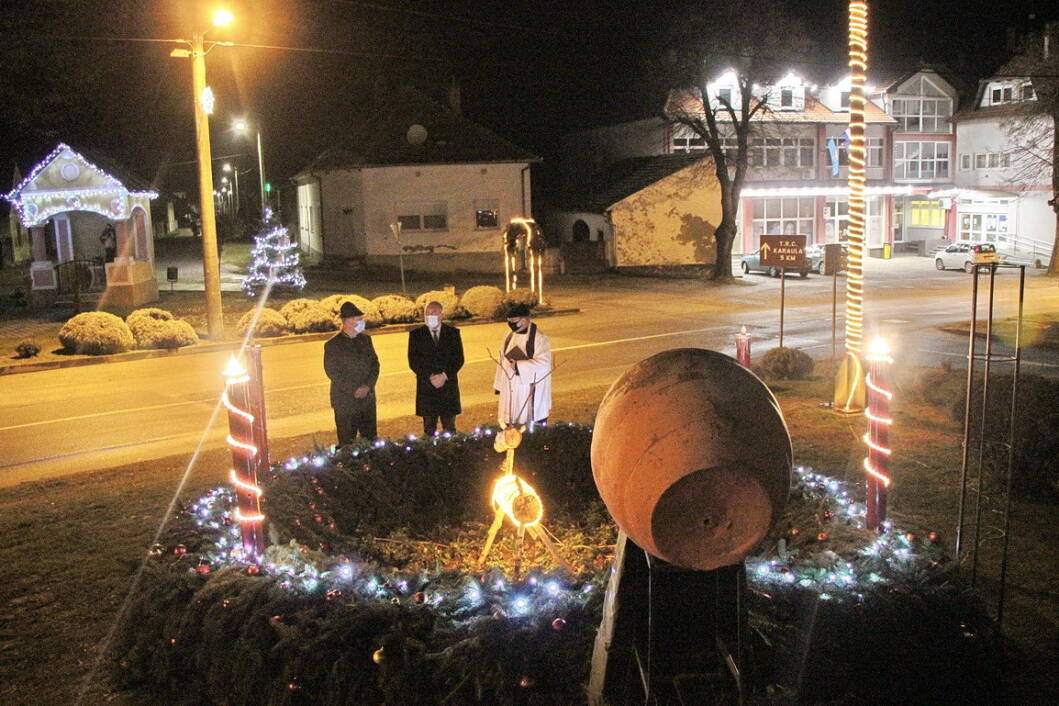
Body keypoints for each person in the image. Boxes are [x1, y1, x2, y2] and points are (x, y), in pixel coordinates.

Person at [324, 301, 380, 445]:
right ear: (347, 321)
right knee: (347, 444)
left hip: (367, 401)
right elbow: (333, 372)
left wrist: (367, 386)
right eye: (358, 319)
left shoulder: (366, 339)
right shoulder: (333, 345)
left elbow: (375, 364)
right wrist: (353, 390)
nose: (362, 322)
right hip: (345, 403)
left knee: (370, 441)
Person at [407, 301, 465, 435]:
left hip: (448, 387)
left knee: (449, 428)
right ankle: (430, 455)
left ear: (441, 315)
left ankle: (451, 453)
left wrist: (444, 375)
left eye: (434, 313)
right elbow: (414, 361)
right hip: (427, 388)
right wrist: (430, 377)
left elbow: (458, 359)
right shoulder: (416, 335)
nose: (431, 316)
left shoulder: (452, 333)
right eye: (428, 313)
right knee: (429, 429)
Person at [494, 303, 552, 426]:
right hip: (510, 387)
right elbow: (502, 359)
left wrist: (519, 366)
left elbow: (544, 364)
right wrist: (499, 384)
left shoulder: (539, 339)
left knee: (528, 425)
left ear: (525, 320)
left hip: (528, 389)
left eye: (514, 322)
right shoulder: (509, 336)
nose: (511, 325)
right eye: (509, 322)